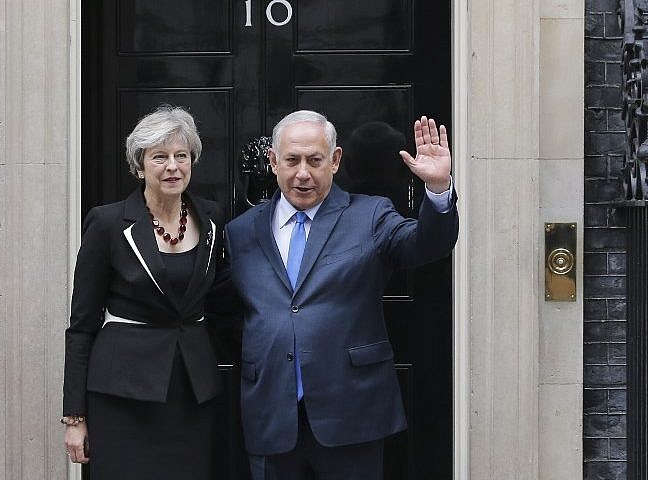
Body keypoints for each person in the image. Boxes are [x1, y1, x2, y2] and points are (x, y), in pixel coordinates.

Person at [224, 110, 459, 479]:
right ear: (273, 161)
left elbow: (426, 245)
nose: (303, 173)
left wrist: (438, 190)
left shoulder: (369, 216)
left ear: (334, 161)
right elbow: (229, 309)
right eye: (292, 160)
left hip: (351, 414)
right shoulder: (240, 233)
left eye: (315, 160)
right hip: (271, 415)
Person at [61, 105, 224, 479]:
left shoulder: (213, 217)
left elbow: (223, 299)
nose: (172, 166)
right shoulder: (107, 223)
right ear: (139, 166)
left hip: (191, 392)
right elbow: (82, 325)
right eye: (160, 157)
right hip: (123, 396)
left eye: (181, 156)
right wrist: (75, 417)